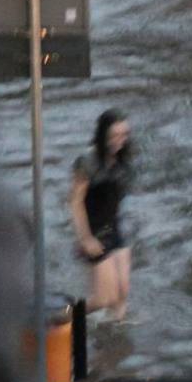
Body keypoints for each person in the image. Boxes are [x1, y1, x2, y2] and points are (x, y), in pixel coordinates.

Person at [69, 108, 136, 319]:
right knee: (102, 299)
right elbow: (75, 201)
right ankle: (60, 318)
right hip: (93, 231)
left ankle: (114, 343)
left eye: (124, 135)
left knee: (121, 294)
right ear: (102, 135)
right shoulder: (88, 161)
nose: (119, 141)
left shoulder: (123, 160)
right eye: (114, 136)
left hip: (114, 228)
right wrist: (85, 238)